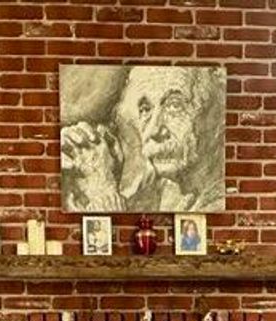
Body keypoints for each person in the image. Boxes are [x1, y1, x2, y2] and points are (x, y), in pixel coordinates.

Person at [61, 67, 225, 212]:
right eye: (146, 109)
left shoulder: (222, 204)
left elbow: (119, 236)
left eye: (174, 106)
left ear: (217, 115)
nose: (153, 130)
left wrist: (102, 190)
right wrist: (82, 181)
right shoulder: (160, 186)